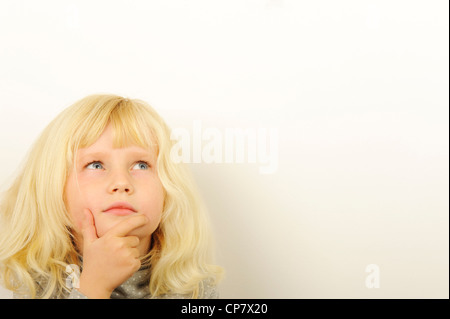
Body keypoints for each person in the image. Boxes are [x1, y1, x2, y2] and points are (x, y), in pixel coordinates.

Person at [0, 94, 224, 298]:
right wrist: (93, 287)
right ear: (53, 185)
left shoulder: (194, 289)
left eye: (141, 165)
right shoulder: (38, 282)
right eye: (96, 165)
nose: (121, 182)